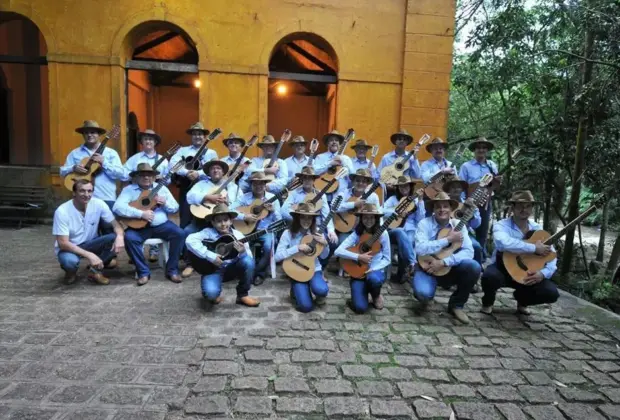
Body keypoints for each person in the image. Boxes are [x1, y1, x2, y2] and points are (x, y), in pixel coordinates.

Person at [480, 190, 559, 315]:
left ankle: (523, 299)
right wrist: (534, 248)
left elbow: (551, 255)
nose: (524, 209)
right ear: (512, 207)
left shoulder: (537, 229)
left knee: (551, 293)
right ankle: (488, 302)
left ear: (532, 208)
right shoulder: (501, 225)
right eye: (520, 205)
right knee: (489, 277)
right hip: (502, 269)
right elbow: (503, 243)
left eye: (528, 206)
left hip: (528, 271)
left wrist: (543, 274)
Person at [413, 192, 481, 324]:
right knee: (422, 294)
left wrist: (444, 262)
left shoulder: (458, 225)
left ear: (451, 209)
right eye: (438, 206)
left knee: (474, 267)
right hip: (427, 267)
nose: (442, 209)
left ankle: (457, 305)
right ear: (433, 209)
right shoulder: (424, 224)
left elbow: (469, 251)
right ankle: (428, 296)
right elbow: (420, 248)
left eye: (445, 206)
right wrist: (447, 240)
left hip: (449, 268)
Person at [113, 163, 185, 286]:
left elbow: (175, 208)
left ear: (153, 177)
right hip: (138, 228)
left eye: (149, 175)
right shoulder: (129, 190)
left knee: (179, 234)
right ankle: (143, 272)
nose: (146, 178)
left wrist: (165, 203)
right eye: (143, 175)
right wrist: (140, 214)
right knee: (129, 238)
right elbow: (117, 207)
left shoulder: (161, 188)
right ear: (136, 177)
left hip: (162, 226)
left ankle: (172, 270)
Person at [185, 204, 260, 308]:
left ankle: (242, 295)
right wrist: (210, 256)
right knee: (211, 294)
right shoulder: (208, 233)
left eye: (225, 220)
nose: (223, 224)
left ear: (231, 221)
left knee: (248, 261)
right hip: (212, 269)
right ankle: (211, 292)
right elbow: (189, 240)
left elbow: (249, 258)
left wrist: (242, 251)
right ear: (213, 222)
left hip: (232, 268)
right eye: (219, 221)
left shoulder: (238, 235)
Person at [53, 179, 125, 285]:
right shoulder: (62, 211)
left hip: (91, 243)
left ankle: (95, 272)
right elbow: (63, 243)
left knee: (116, 238)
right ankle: (71, 272)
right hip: (70, 248)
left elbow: (116, 224)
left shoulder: (99, 204)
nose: (87, 195)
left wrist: (120, 236)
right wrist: (90, 255)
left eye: (90, 191)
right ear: (74, 193)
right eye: (82, 191)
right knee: (70, 262)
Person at [182, 160, 239, 278]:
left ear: (223, 172)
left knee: (234, 237)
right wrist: (207, 197)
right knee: (187, 232)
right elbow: (189, 197)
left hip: (223, 221)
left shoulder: (232, 186)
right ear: (208, 172)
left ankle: (229, 262)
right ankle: (190, 264)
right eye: (212, 169)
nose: (215, 170)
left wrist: (228, 203)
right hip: (202, 218)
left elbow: (239, 204)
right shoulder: (201, 184)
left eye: (218, 168)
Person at [123, 128, 169, 262]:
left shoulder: (162, 160)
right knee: (139, 217)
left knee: (156, 218)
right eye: (145, 139)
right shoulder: (135, 158)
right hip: (138, 192)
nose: (148, 141)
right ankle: (138, 249)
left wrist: (161, 178)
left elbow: (169, 179)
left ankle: (154, 251)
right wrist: (135, 178)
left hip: (156, 191)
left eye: (151, 139)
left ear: (155, 142)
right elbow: (124, 173)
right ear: (141, 142)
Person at [335, 203, 390, 313]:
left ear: (376, 218)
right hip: (358, 271)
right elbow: (338, 251)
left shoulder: (383, 234)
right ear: (361, 218)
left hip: (374, 271)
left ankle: (375, 295)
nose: (368, 220)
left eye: (371, 217)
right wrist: (358, 256)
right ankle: (360, 292)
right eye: (365, 217)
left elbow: (387, 258)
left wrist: (373, 269)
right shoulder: (357, 233)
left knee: (374, 279)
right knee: (360, 308)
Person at [275, 203, 329, 313]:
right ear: (297, 218)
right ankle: (297, 289)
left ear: (313, 219)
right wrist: (297, 248)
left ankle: (313, 287)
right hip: (297, 268)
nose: (306, 220)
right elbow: (276, 257)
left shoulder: (317, 232)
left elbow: (323, 256)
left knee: (322, 290)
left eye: (310, 218)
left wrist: (325, 244)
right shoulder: (288, 233)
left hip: (314, 269)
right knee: (306, 307)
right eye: (303, 217)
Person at [231, 171, 282, 285]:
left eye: (261, 184)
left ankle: (258, 273)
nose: (258, 186)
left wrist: (273, 211)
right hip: (246, 230)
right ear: (251, 185)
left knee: (269, 247)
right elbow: (230, 210)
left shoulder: (273, 198)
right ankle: (240, 269)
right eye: (255, 184)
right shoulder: (244, 198)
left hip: (265, 231)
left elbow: (279, 221)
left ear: (265, 185)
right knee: (236, 245)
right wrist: (245, 216)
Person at [281, 166, 338, 267]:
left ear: (314, 179)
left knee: (332, 242)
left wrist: (331, 231)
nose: (307, 180)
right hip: (299, 226)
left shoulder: (321, 195)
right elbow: (284, 211)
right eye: (305, 178)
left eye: (310, 178)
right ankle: (297, 266)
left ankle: (320, 267)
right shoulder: (294, 193)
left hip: (316, 227)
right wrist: (299, 214)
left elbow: (326, 214)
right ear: (301, 179)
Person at [60, 120, 125, 209]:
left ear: (99, 134)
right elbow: (62, 171)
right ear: (83, 135)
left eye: (93, 132)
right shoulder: (75, 153)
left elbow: (120, 174)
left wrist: (104, 163)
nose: (89, 135)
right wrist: (73, 168)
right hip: (82, 199)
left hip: (105, 197)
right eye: (86, 133)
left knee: (106, 222)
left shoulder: (111, 153)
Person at [169, 122, 217, 228]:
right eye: (195, 134)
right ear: (191, 136)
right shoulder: (183, 150)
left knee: (204, 216)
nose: (197, 136)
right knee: (185, 217)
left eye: (200, 134)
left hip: (205, 188)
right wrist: (186, 173)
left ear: (204, 136)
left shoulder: (211, 153)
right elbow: (173, 165)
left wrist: (198, 173)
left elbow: (215, 168)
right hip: (186, 187)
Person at [459, 137, 500, 259]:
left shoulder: (492, 165)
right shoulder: (466, 166)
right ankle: (466, 254)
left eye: (484, 147)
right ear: (474, 150)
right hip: (470, 202)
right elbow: (462, 185)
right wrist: (463, 203)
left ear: (487, 150)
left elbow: (495, 186)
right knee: (465, 229)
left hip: (486, 202)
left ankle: (480, 257)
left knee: (483, 231)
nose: (481, 150)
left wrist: (496, 184)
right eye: (478, 147)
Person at [383, 176, 425, 283]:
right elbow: (381, 210)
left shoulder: (415, 200)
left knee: (409, 240)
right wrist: (395, 212)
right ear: (398, 188)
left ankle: (402, 273)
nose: (404, 188)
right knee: (401, 232)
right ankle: (412, 263)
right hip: (393, 230)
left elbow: (420, 219)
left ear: (410, 187)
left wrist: (420, 201)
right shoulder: (393, 199)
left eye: (406, 185)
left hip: (410, 230)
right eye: (401, 186)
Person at [334, 168, 381, 246]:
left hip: (365, 231)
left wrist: (379, 231)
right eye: (358, 180)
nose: (360, 183)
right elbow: (333, 207)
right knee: (344, 245)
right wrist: (354, 204)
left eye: (364, 181)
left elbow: (379, 214)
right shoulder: (344, 193)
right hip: (347, 231)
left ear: (367, 184)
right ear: (353, 182)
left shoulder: (373, 197)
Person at [443, 178, 483, 265]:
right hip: (444, 233)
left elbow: (476, 225)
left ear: (462, 190)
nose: (456, 189)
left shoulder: (470, 203)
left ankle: (478, 270)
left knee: (476, 246)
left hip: (465, 235)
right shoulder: (443, 204)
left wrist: (472, 215)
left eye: (458, 187)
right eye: (453, 187)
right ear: (449, 189)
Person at [314, 130, 354, 197]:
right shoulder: (320, 157)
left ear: (340, 143)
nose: (334, 142)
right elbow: (314, 172)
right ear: (327, 143)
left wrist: (343, 162)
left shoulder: (346, 158)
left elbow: (353, 177)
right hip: (322, 193)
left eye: (336, 140)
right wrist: (329, 164)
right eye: (331, 140)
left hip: (340, 194)